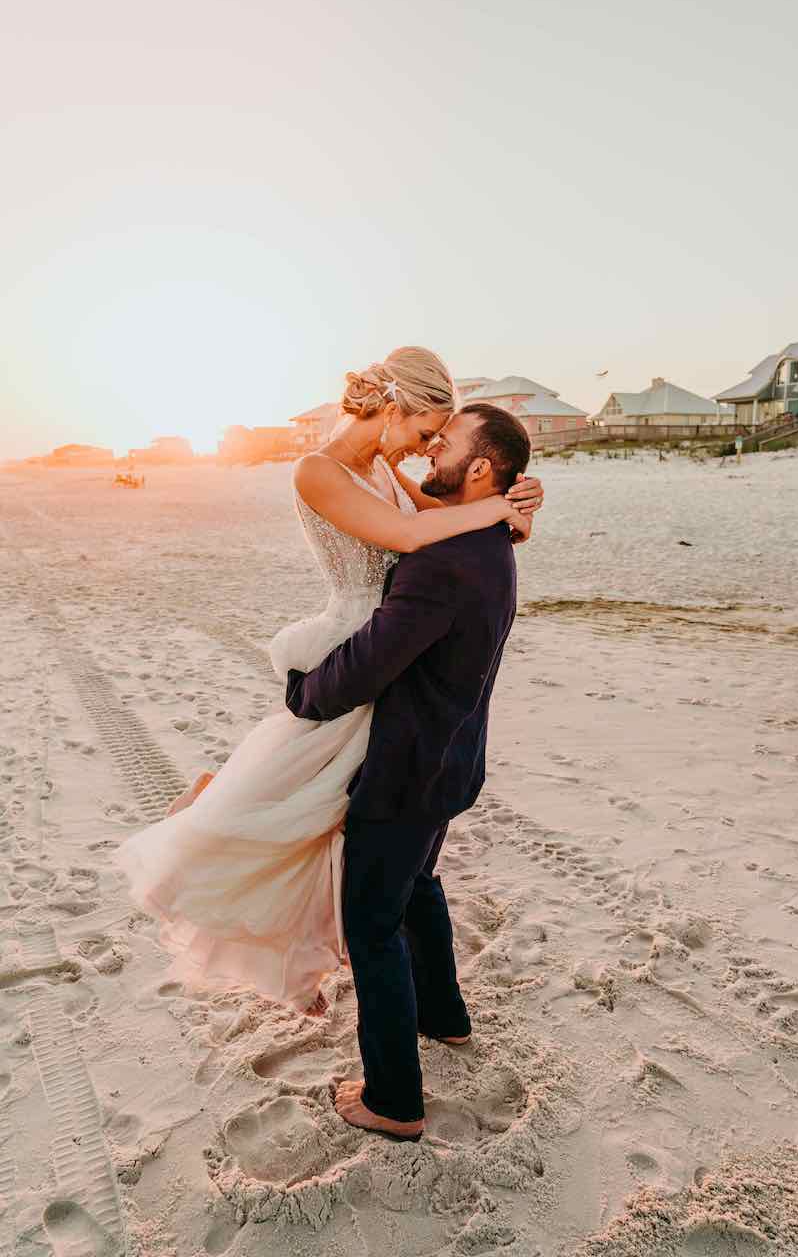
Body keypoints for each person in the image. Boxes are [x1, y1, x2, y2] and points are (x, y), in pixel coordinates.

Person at [115, 348, 543, 1009]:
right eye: (427, 432)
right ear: (394, 407)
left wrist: (516, 504)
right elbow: (407, 535)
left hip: (396, 643)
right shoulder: (317, 470)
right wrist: (495, 513)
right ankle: (217, 819)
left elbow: (436, 524)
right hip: (357, 640)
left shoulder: (383, 466)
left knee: (354, 820)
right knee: (302, 805)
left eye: (437, 440)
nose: (426, 449)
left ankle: (397, 983)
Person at [285, 402, 531, 1141]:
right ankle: (444, 1017)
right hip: (453, 759)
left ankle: (393, 1101)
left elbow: (368, 665)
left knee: (372, 919)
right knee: (418, 885)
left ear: (482, 467)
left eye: (445, 444)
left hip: (407, 769)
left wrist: (305, 692)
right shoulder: (492, 538)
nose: (432, 453)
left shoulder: (444, 561)